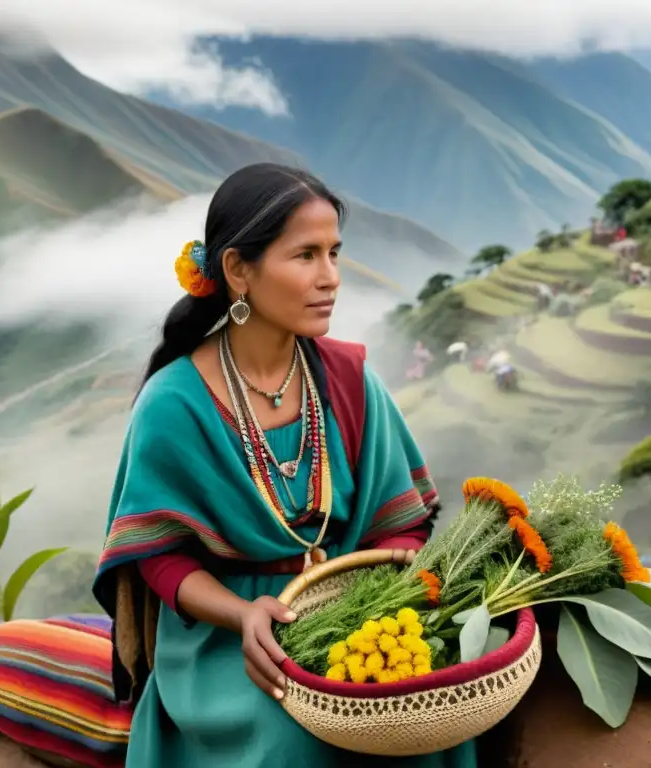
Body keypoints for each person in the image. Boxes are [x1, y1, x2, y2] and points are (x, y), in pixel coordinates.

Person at [92, 163, 476, 768]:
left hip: (356, 609)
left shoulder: (350, 381)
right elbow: (158, 557)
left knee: (427, 710)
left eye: (334, 253)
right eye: (305, 256)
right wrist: (245, 614)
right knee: (292, 741)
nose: (330, 278)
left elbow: (400, 520)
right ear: (239, 271)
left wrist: (377, 596)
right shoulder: (174, 404)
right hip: (232, 638)